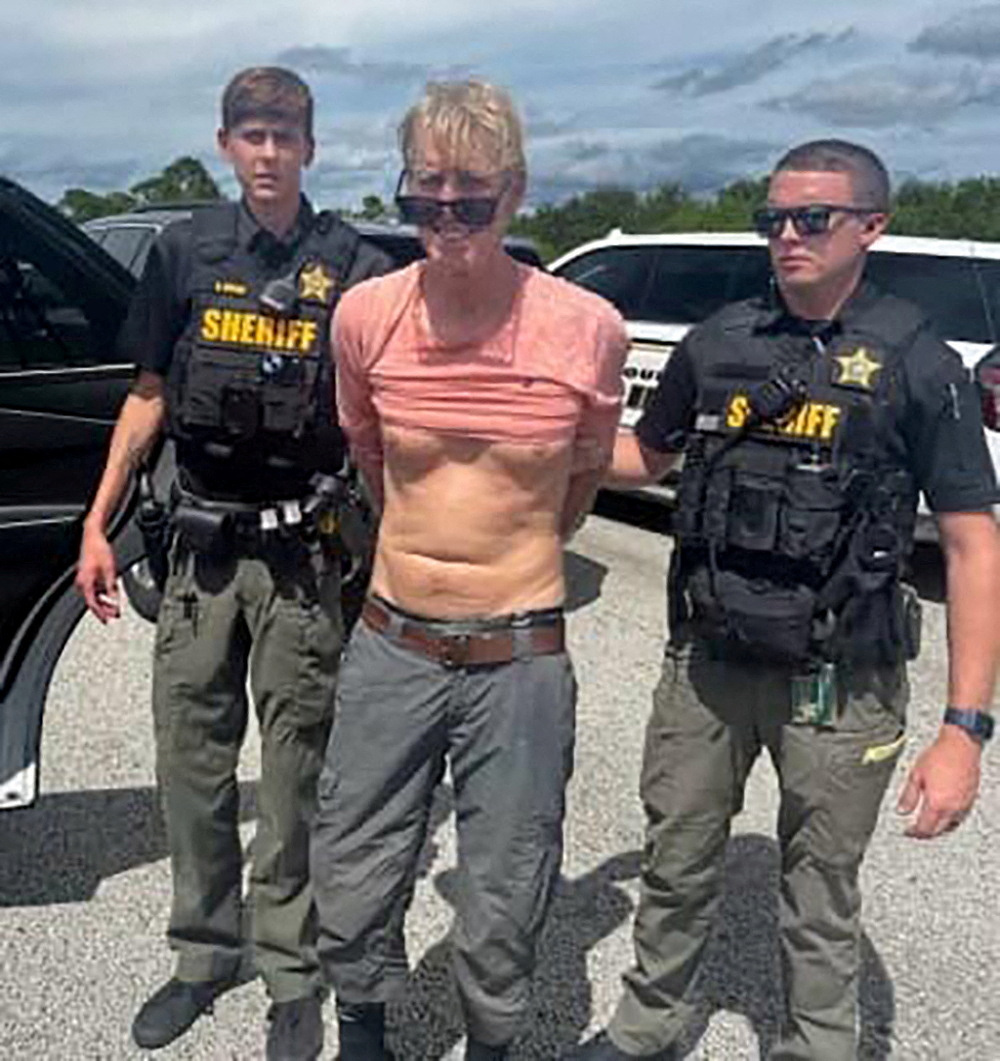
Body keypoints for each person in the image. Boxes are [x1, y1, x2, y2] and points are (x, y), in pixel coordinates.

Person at [573, 139, 1000, 1060]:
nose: (788, 236)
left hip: (840, 677)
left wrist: (965, 730)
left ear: (872, 227)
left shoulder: (919, 362)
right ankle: (647, 1024)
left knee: (820, 890)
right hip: (708, 664)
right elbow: (644, 457)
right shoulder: (719, 340)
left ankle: (817, 1043)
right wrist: (530, 434)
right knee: (676, 858)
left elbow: (973, 546)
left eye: (814, 218)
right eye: (774, 218)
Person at [309, 79, 629, 1060]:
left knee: (506, 878)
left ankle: (490, 1038)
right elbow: (370, 456)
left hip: (518, 651)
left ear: (515, 193)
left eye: (471, 195)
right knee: (352, 855)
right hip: (391, 637)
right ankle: (361, 1023)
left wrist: (507, 556)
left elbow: (580, 481)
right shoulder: (365, 316)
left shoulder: (586, 328)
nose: (446, 215)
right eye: (425, 193)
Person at [75, 66, 390, 1060]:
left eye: (285, 136)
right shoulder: (184, 251)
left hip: (302, 559)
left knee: (296, 775)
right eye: (252, 135)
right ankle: (204, 953)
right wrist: (96, 523)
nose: (268, 153)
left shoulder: (354, 264)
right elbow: (148, 396)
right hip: (201, 556)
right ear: (225, 144)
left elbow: (380, 417)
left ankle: (291, 971)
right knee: (191, 766)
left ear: (310, 147)